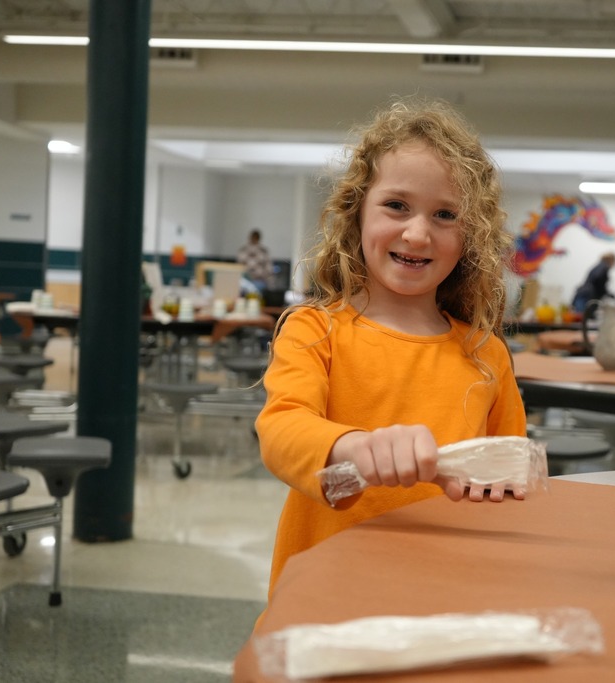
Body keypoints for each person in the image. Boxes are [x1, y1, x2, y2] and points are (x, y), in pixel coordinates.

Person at [255, 96, 528, 608]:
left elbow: (508, 466)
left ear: (470, 238)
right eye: (397, 205)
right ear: (357, 210)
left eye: (445, 214)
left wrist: (503, 486)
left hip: (443, 597)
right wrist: (354, 449)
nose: (418, 232)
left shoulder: (484, 354)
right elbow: (282, 429)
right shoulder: (315, 330)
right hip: (326, 596)